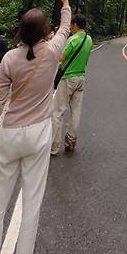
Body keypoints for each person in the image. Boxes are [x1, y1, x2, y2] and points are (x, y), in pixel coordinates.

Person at [0, 0, 72, 254]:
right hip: (39, 134)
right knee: (31, 200)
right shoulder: (52, 51)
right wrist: (64, 0)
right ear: (44, 30)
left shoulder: (8, 59)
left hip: (10, 134)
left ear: (20, 31)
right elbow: (65, 26)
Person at [50, 13, 92, 156]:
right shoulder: (89, 39)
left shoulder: (72, 40)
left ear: (75, 24)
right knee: (76, 111)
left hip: (68, 78)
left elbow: (60, 58)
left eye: (71, 25)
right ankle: (71, 141)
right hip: (81, 77)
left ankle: (54, 147)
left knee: (57, 112)